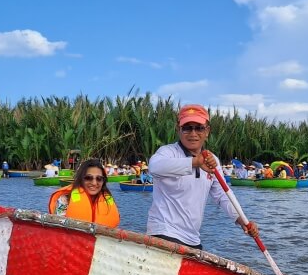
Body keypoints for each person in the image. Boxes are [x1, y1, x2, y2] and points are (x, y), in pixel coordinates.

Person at [146, 104, 258, 249]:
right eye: (187, 128)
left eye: (199, 128)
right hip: (163, 232)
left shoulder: (213, 161)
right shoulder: (167, 152)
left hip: (193, 238)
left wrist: (243, 220)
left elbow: (222, 196)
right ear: (178, 130)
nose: (193, 133)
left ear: (207, 131)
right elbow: (154, 167)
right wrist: (195, 162)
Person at [48, 158, 120, 228]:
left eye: (99, 178)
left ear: (103, 181)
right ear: (81, 179)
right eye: (88, 178)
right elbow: (58, 229)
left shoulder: (107, 199)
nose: (94, 183)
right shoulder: (65, 199)